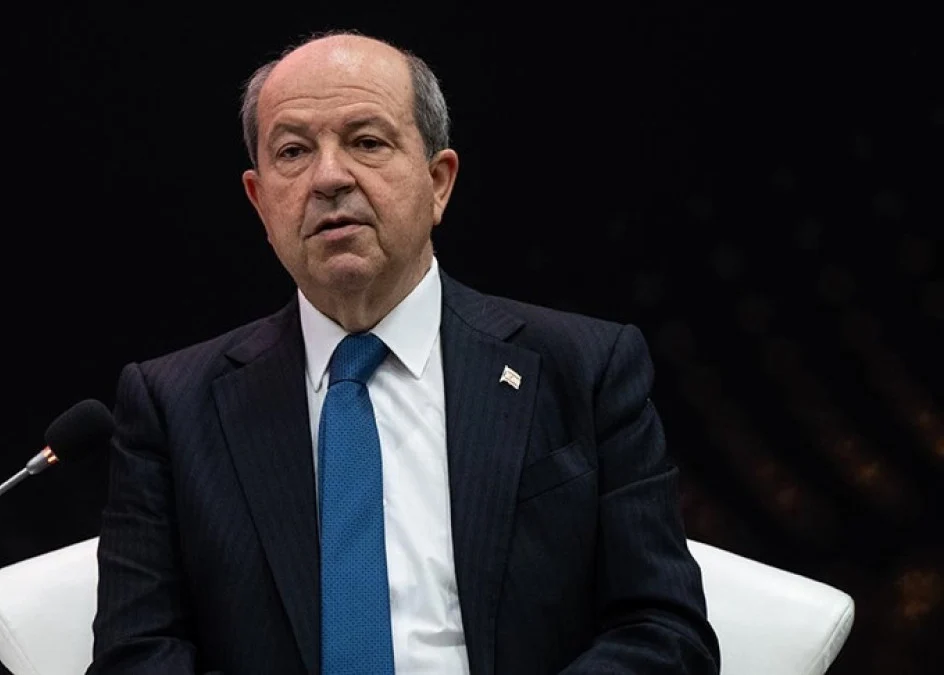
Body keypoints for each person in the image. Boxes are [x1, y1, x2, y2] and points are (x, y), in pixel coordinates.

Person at [88, 29, 720, 675]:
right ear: (259, 201)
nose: (329, 178)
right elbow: (136, 654)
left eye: (367, 142)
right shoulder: (171, 407)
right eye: (293, 151)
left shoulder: (584, 369)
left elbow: (663, 629)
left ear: (438, 182)